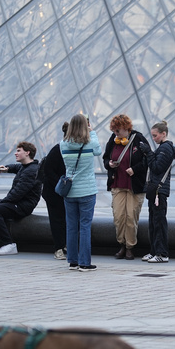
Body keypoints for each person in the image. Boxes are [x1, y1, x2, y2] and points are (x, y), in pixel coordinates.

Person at [0, 141, 43, 255]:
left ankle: (8, 244)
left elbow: (18, 193)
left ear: (27, 153)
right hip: (16, 201)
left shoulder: (31, 171)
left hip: (23, 205)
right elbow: (16, 167)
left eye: (18, 151)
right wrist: (7, 168)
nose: (15, 153)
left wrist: (0, 204)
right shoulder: (25, 167)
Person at [103, 114, 150, 260]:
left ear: (126, 127)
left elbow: (148, 158)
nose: (115, 133)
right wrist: (109, 164)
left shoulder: (138, 138)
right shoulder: (113, 139)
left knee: (131, 217)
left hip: (134, 185)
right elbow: (105, 158)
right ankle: (121, 244)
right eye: (114, 130)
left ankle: (129, 247)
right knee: (118, 217)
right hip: (117, 183)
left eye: (118, 130)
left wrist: (134, 169)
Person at [60, 114, 101, 272]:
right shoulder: (90, 143)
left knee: (71, 226)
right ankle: (85, 262)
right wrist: (92, 132)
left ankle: (73, 261)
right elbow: (98, 151)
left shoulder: (63, 144)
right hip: (87, 190)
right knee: (84, 226)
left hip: (70, 191)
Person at [142, 121, 175, 264]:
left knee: (159, 222)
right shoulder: (162, 148)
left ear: (163, 134)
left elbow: (156, 167)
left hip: (159, 191)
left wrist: (148, 152)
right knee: (153, 222)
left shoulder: (166, 149)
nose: (153, 138)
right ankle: (154, 251)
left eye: (155, 136)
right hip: (155, 190)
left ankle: (162, 253)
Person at [38, 121, 68, 260]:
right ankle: (59, 248)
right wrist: (62, 184)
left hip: (64, 190)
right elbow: (48, 170)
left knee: (64, 219)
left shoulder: (69, 148)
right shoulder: (59, 149)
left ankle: (65, 245)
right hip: (54, 191)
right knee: (57, 220)